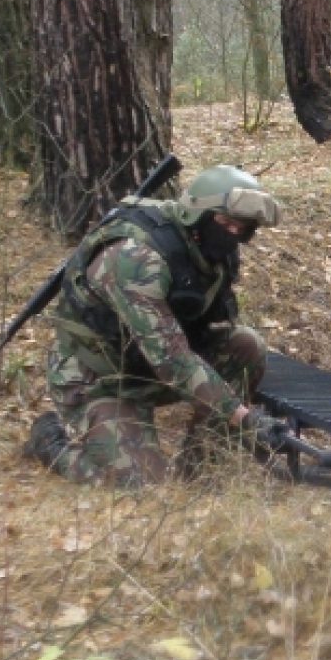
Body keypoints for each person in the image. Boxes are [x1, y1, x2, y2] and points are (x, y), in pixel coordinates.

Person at [24, 164, 288, 486]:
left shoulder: (207, 248)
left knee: (246, 345)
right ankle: (50, 445)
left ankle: (201, 463)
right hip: (100, 377)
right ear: (198, 216)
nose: (233, 234)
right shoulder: (137, 258)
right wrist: (245, 419)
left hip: (150, 365)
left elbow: (196, 333)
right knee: (141, 484)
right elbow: (173, 360)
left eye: (243, 229)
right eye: (225, 224)